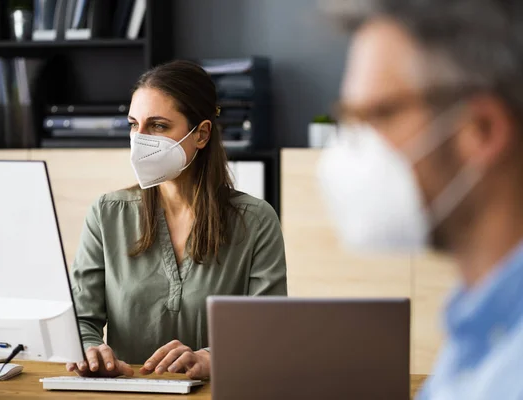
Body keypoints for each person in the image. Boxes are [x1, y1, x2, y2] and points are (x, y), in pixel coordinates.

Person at [319, 0, 523, 398]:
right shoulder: (478, 332)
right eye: (349, 119)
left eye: (378, 115)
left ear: (481, 129)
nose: (352, 148)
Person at [65, 60, 287, 380]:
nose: (139, 139)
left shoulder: (256, 221)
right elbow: (81, 320)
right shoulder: (107, 213)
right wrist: (89, 349)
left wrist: (211, 359)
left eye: (157, 126)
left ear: (201, 134)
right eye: (133, 124)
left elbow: (269, 331)